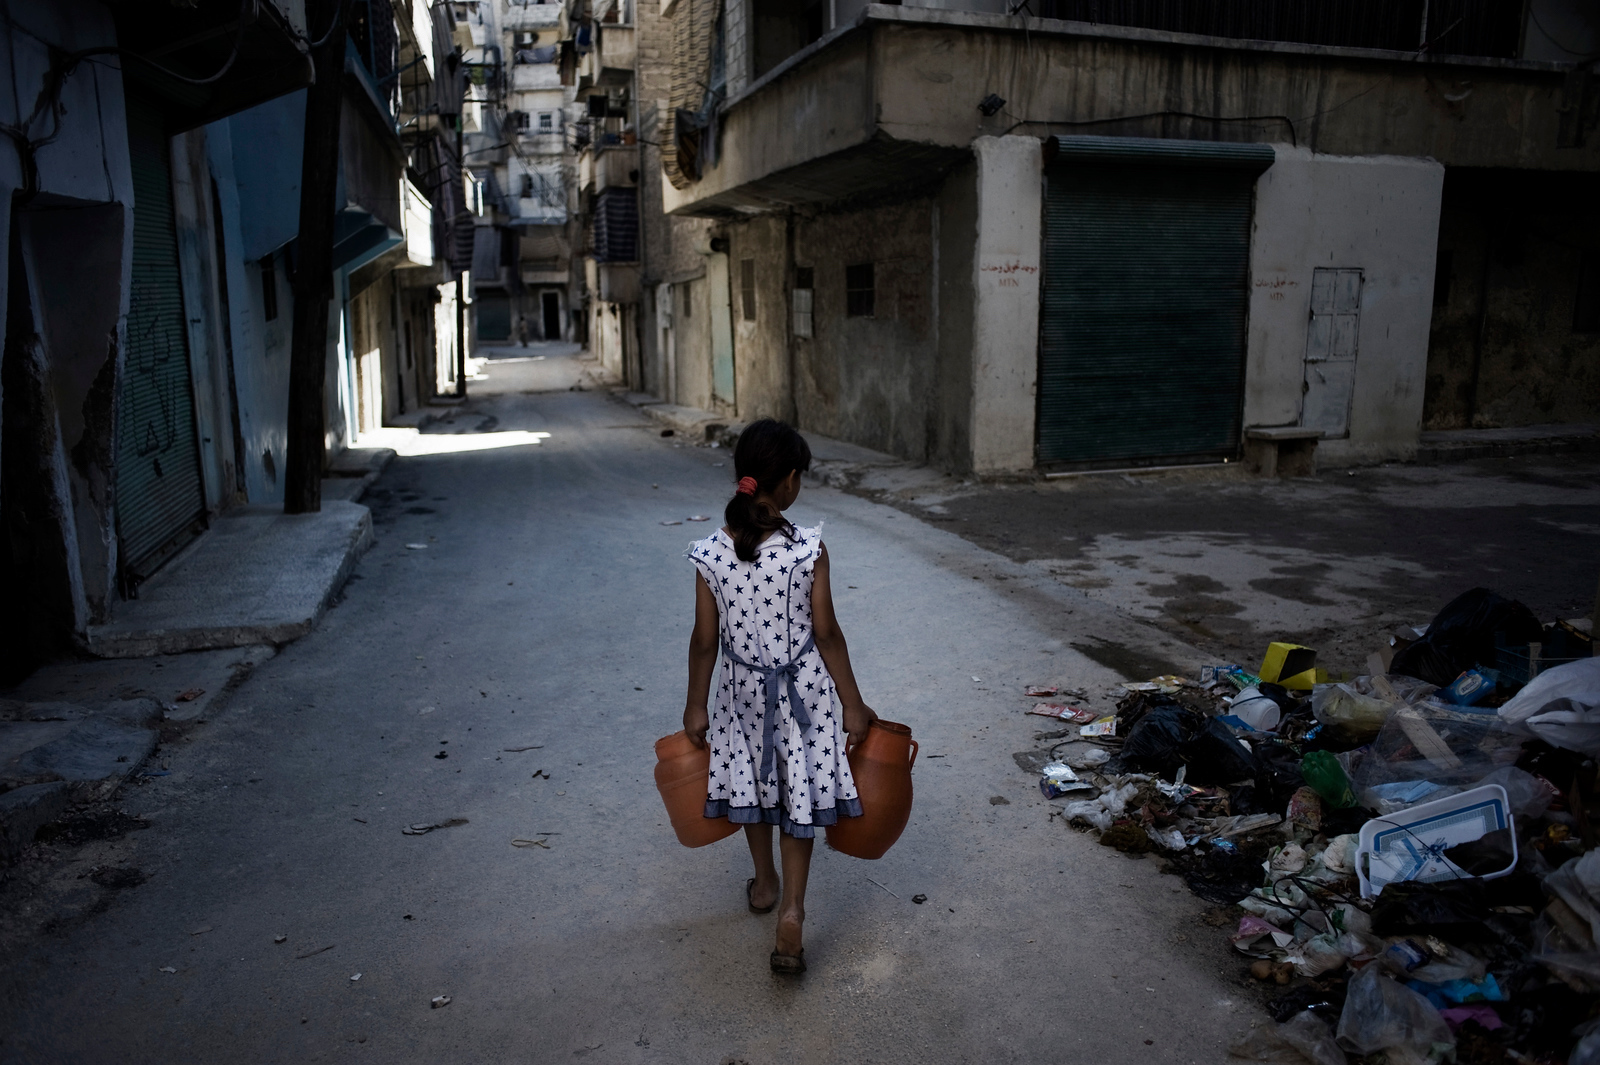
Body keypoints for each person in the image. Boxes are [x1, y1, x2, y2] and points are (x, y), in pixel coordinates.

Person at [682, 419, 877, 974]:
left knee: (753, 776)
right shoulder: (807, 550)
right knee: (796, 794)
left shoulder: (710, 553)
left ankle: (763, 885)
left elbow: (704, 640)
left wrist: (696, 703)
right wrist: (854, 704)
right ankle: (791, 911)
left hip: (740, 691)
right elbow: (827, 633)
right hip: (803, 695)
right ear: (790, 482)